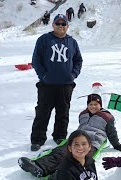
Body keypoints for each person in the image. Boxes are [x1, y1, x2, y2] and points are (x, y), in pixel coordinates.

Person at [19, 94, 121, 178]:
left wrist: (117, 145)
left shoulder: (107, 117)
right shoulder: (83, 114)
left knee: (78, 157)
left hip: (91, 142)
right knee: (61, 151)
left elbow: (112, 133)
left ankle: (58, 175)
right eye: (90, 104)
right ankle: (40, 167)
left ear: (100, 105)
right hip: (77, 138)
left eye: (95, 104)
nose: (93, 106)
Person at [30, 14, 83, 151]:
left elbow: (78, 60)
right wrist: (44, 76)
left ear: (67, 26)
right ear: (53, 25)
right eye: (58, 23)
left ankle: (60, 135)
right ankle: (37, 139)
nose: (60, 26)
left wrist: (73, 75)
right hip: (47, 85)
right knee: (42, 112)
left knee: (63, 112)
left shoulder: (72, 42)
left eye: (63, 24)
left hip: (66, 84)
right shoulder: (44, 40)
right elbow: (36, 60)